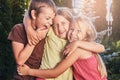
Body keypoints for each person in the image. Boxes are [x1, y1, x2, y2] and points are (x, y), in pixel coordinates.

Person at [18, 14, 107, 80]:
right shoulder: (84, 46)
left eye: (79, 31)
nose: (73, 33)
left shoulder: (79, 50)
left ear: (86, 35)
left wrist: (29, 71)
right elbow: (101, 47)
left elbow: (55, 72)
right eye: (71, 29)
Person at [7, 0, 56, 80]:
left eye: (52, 19)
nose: (50, 22)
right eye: (47, 18)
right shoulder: (18, 29)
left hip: (40, 76)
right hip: (21, 76)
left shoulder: (48, 30)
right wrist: (35, 39)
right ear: (34, 14)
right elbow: (20, 61)